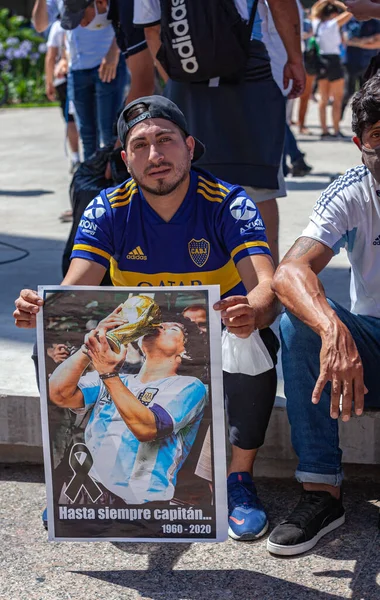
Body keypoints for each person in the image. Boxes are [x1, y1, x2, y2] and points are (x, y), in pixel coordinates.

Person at [14, 95, 280, 541]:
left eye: (165, 140)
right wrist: (41, 311)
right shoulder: (106, 208)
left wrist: (252, 311)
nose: (154, 156)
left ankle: (238, 480)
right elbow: (75, 289)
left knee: (254, 340)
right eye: (140, 145)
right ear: (124, 157)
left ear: (190, 147)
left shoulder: (228, 203)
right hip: (146, 348)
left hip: (219, 336)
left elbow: (267, 286)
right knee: (51, 341)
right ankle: (79, 481)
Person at [267, 73, 380, 556]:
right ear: (360, 144)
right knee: (299, 319)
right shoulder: (353, 190)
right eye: (379, 137)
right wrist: (332, 328)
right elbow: (290, 270)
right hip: (371, 345)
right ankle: (321, 491)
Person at [134, 0, 306, 265]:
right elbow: (280, 4)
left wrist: (181, 77)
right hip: (249, 68)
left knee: (187, 185)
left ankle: (199, 284)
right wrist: (295, 59)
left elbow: (152, 29)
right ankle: (263, 288)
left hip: (185, 77)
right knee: (256, 186)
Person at [49, 307, 207, 504]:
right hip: (87, 489)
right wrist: (91, 346)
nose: (159, 327)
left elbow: (147, 429)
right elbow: (59, 394)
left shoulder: (189, 386)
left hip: (141, 503)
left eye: (172, 328)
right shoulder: (116, 377)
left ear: (185, 352)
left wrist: (108, 375)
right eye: (158, 324)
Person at [33, 0, 128, 160]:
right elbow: (40, 25)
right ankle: (92, 179)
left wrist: (114, 51)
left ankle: (115, 179)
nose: (82, 24)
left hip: (108, 65)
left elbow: (125, 16)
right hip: (77, 69)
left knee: (109, 131)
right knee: (87, 134)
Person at [311, 0, 352, 139]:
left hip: (321, 61)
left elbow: (314, 10)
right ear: (334, 13)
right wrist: (337, 3)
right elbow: (351, 10)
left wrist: (324, 2)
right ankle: (336, 129)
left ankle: (324, 130)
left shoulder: (316, 23)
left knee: (323, 99)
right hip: (333, 61)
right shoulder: (334, 23)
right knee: (337, 99)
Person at [45, 19, 80, 175]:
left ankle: (76, 158)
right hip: (84, 73)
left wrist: (49, 82)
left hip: (64, 78)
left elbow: (51, 56)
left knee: (71, 119)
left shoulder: (58, 27)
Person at [341, 17, 380, 118]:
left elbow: (378, 42)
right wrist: (367, 40)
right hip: (351, 62)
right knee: (348, 91)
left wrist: (357, 42)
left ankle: (364, 118)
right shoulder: (349, 21)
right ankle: (339, 115)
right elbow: (346, 40)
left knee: (368, 93)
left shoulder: (375, 22)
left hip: (369, 63)